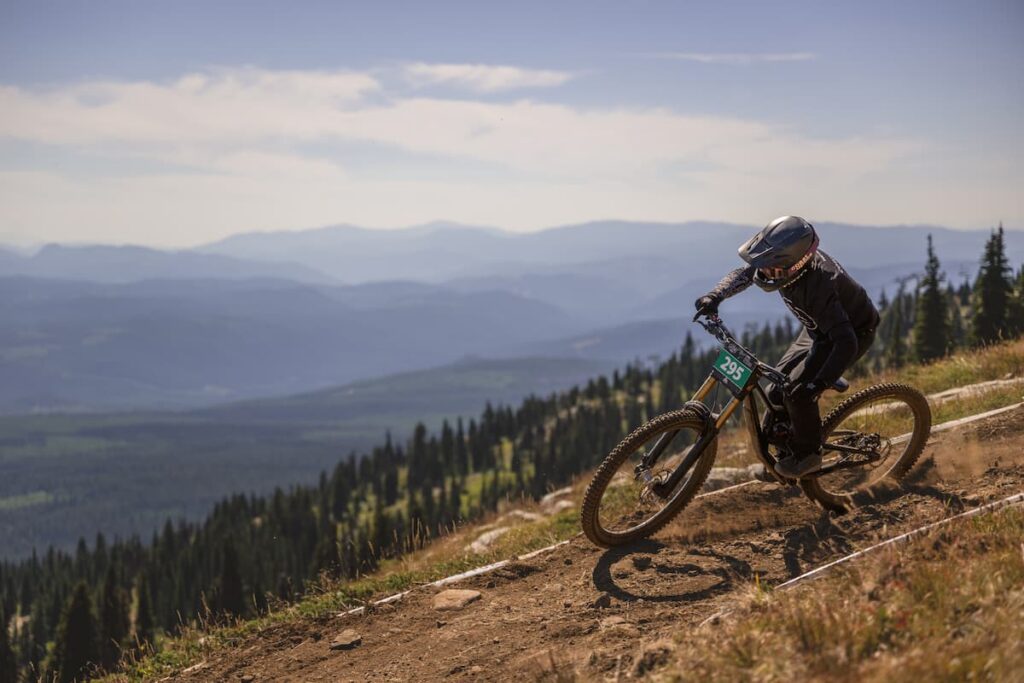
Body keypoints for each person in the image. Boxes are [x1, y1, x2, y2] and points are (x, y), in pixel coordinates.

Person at [694, 216, 880, 478]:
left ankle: (808, 454)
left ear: (795, 266)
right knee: (775, 389)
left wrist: (819, 383)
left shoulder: (818, 286)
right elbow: (746, 273)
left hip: (850, 333)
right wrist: (715, 295)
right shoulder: (787, 264)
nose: (764, 273)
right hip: (817, 328)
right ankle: (782, 454)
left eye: (771, 268)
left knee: (798, 394)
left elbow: (846, 342)